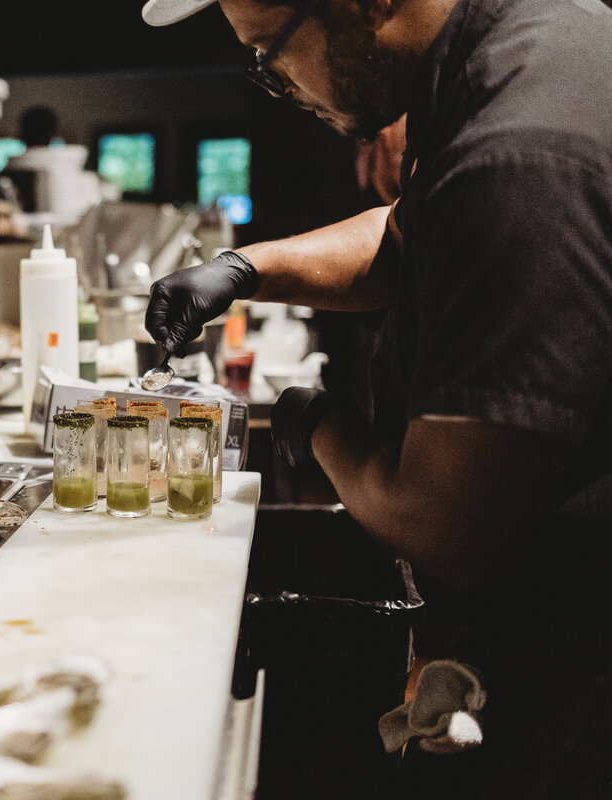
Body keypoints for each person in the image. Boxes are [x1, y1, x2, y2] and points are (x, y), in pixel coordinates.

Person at [142, 0, 612, 796]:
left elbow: (442, 525)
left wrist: (314, 424)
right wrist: (249, 269)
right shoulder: (527, 44)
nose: (275, 83)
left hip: (578, 667)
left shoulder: (521, 152)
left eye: (270, 54)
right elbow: (421, 231)